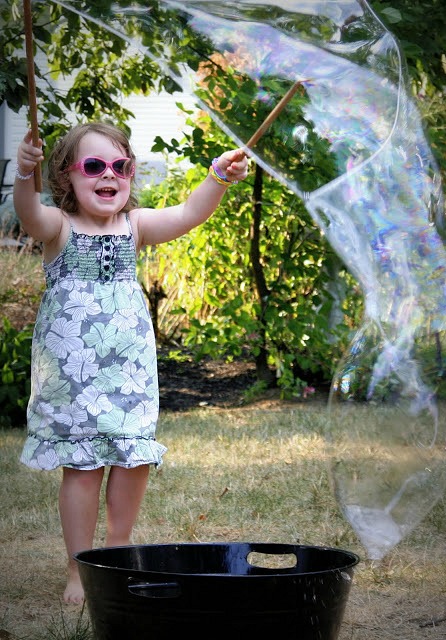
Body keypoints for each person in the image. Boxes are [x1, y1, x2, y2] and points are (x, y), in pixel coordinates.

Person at [14, 122, 249, 605]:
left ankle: (117, 552)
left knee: (133, 457)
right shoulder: (59, 226)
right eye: (94, 166)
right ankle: (80, 568)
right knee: (82, 468)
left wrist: (217, 178)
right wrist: (22, 174)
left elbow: (188, 213)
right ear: (65, 176)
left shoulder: (134, 225)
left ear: (130, 174)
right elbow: (29, 215)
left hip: (129, 370)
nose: (110, 176)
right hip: (73, 373)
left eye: (120, 167)